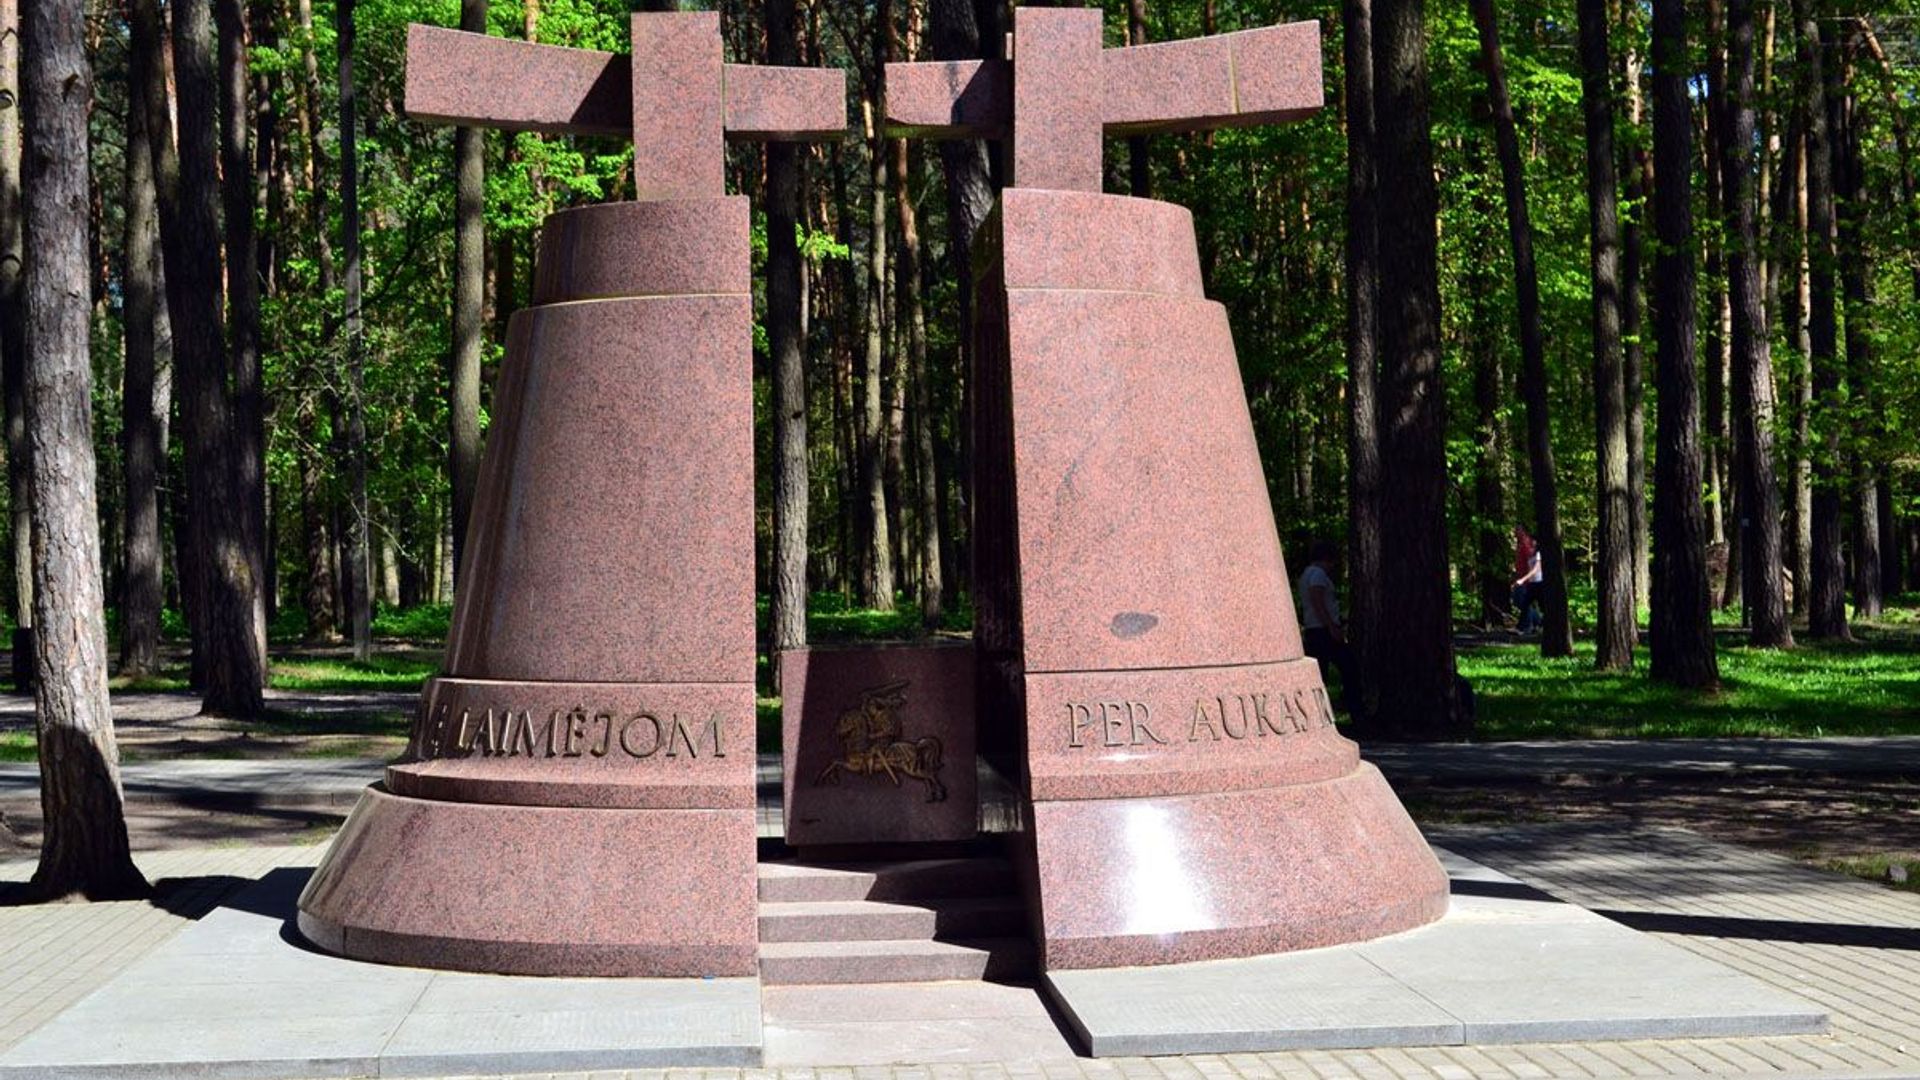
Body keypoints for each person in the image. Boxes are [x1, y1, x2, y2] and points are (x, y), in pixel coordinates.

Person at [1296, 540, 1361, 714]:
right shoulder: (1318, 574)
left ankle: (1319, 713)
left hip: (1313, 629)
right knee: (1349, 667)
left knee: (1320, 674)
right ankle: (1355, 711)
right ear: (1327, 558)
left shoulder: (1306, 574)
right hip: (1323, 631)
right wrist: (1332, 625)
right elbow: (1317, 601)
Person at [1511, 525, 1544, 633]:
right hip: (1530, 582)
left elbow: (1536, 569)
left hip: (1537, 582)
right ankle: (1533, 624)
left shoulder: (1529, 547)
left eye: (1517, 530)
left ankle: (1530, 626)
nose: (1532, 543)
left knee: (1526, 603)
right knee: (1524, 603)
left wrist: (1523, 579)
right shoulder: (1529, 551)